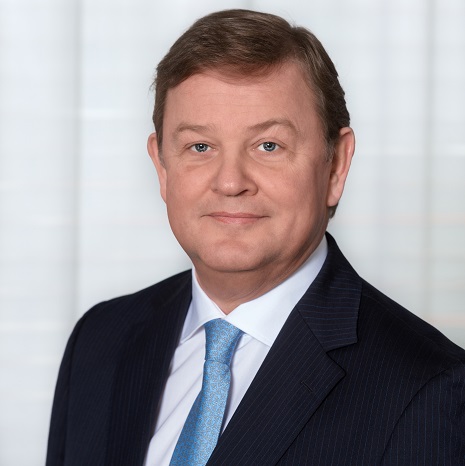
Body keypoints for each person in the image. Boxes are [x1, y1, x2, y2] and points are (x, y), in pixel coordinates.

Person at [46, 9, 465, 466]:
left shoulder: (431, 391)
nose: (230, 182)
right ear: (162, 166)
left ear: (336, 166)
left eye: (268, 146)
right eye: (200, 147)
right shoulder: (100, 341)